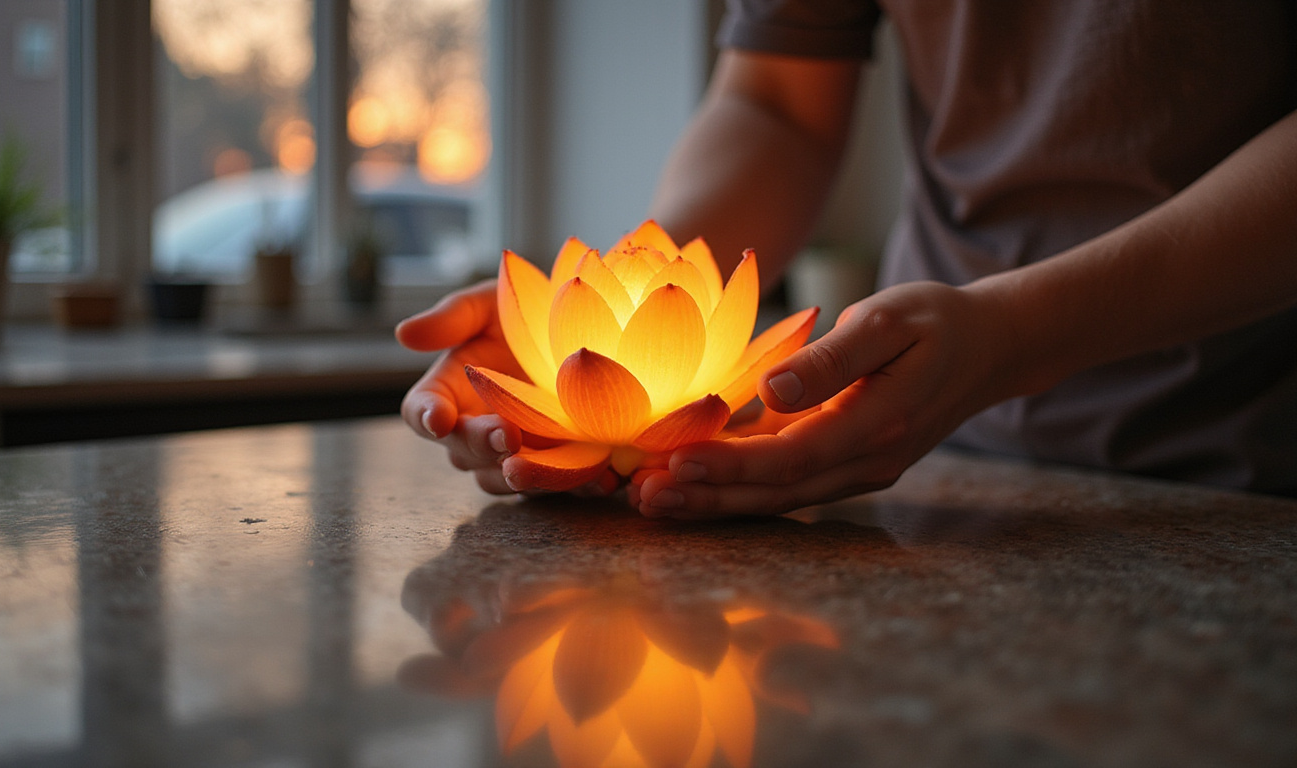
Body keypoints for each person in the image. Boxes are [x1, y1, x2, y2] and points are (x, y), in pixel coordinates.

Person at [397, 1, 1297, 517]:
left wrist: (1018, 335)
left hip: (1245, 468)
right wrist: (599, 325)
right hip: (929, 467)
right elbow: (778, 104)